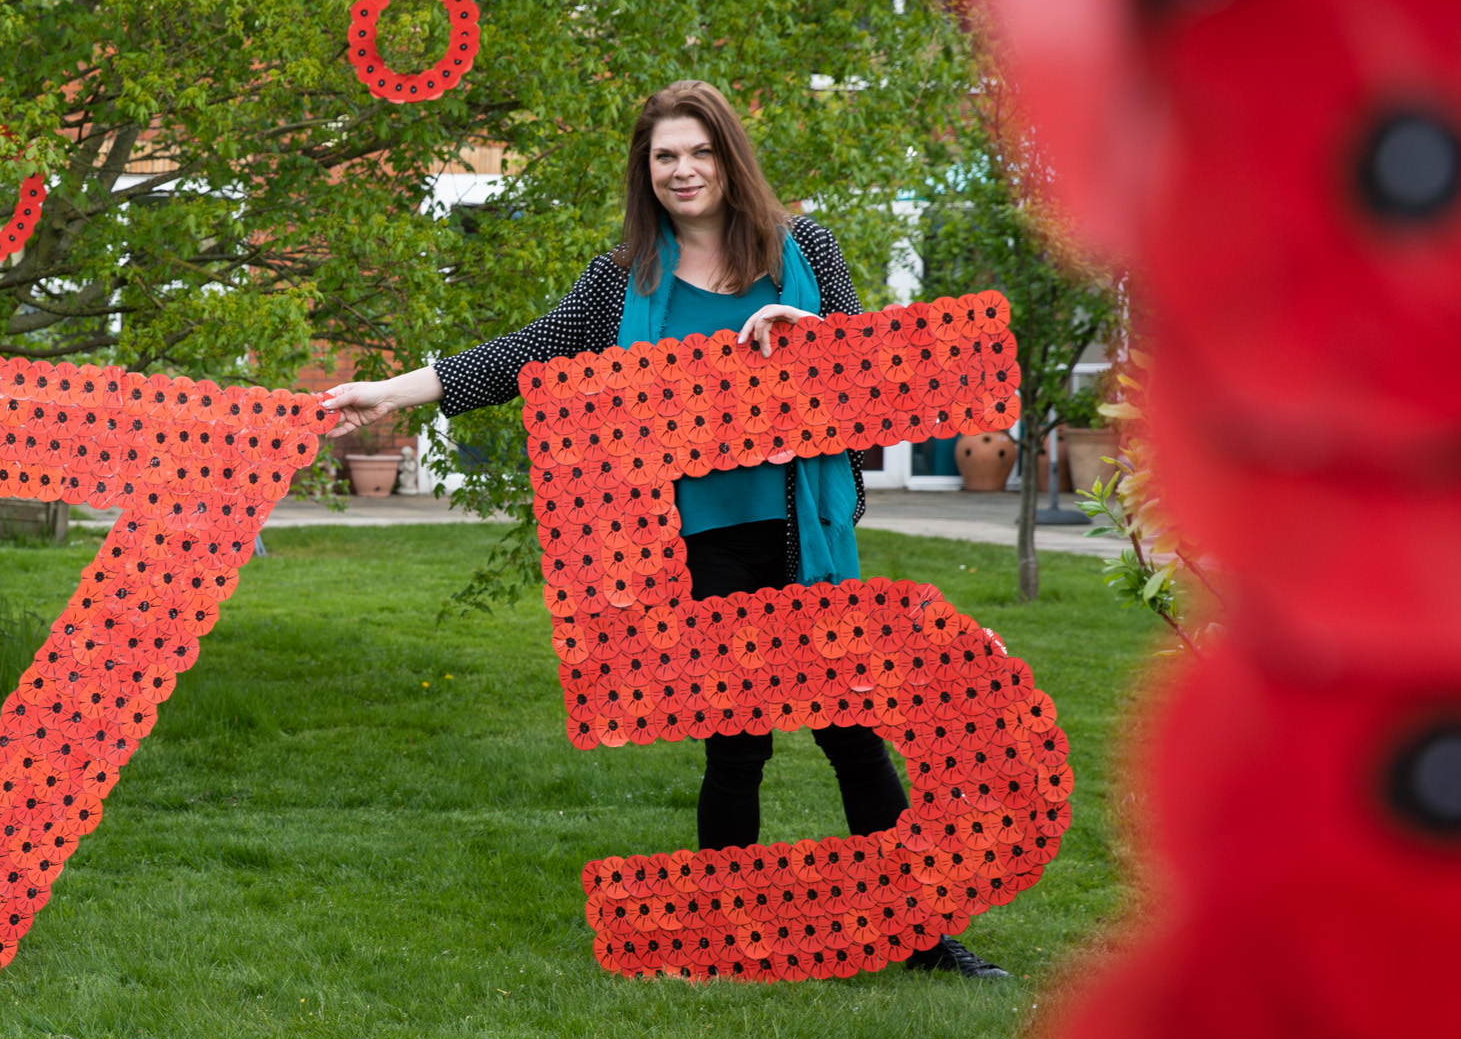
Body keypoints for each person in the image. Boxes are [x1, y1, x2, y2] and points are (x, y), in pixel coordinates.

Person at [321, 80, 1006, 978]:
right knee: (736, 738)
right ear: (645, 174)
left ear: (728, 157)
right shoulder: (623, 282)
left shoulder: (804, 251)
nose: (683, 170)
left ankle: (922, 935)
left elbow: (868, 363)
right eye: (664, 157)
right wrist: (386, 390)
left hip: (806, 529)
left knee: (850, 729)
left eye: (698, 151)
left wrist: (802, 325)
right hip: (702, 544)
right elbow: (520, 353)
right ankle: (724, 936)